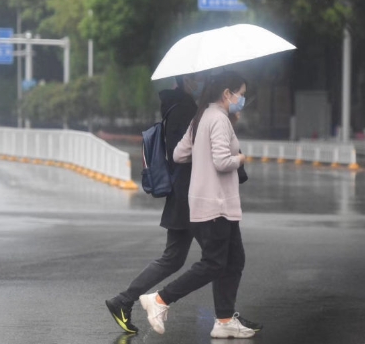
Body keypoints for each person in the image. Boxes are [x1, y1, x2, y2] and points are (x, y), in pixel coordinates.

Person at [105, 72, 260, 335]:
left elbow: (182, 152)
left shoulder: (190, 110)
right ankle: (151, 301)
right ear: (187, 80)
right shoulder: (189, 111)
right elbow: (211, 156)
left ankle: (223, 318)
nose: (202, 82)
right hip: (198, 197)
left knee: (197, 259)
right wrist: (237, 158)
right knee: (214, 261)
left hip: (189, 195)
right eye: (197, 78)